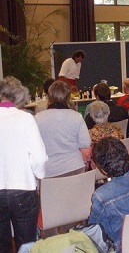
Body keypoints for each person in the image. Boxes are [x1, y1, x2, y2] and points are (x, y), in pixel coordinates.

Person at [0, 77, 48, 252]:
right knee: (27, 244)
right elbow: (40, 158)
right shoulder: (26, 119)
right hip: (23, 190)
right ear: (19, 96)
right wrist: (39, 175)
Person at [35, 81, 91, 177]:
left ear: (49, 97)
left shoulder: (37, 118)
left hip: (48, 172)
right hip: (75, 168)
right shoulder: (77, 117)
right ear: (68, 97)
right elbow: (85, 143)